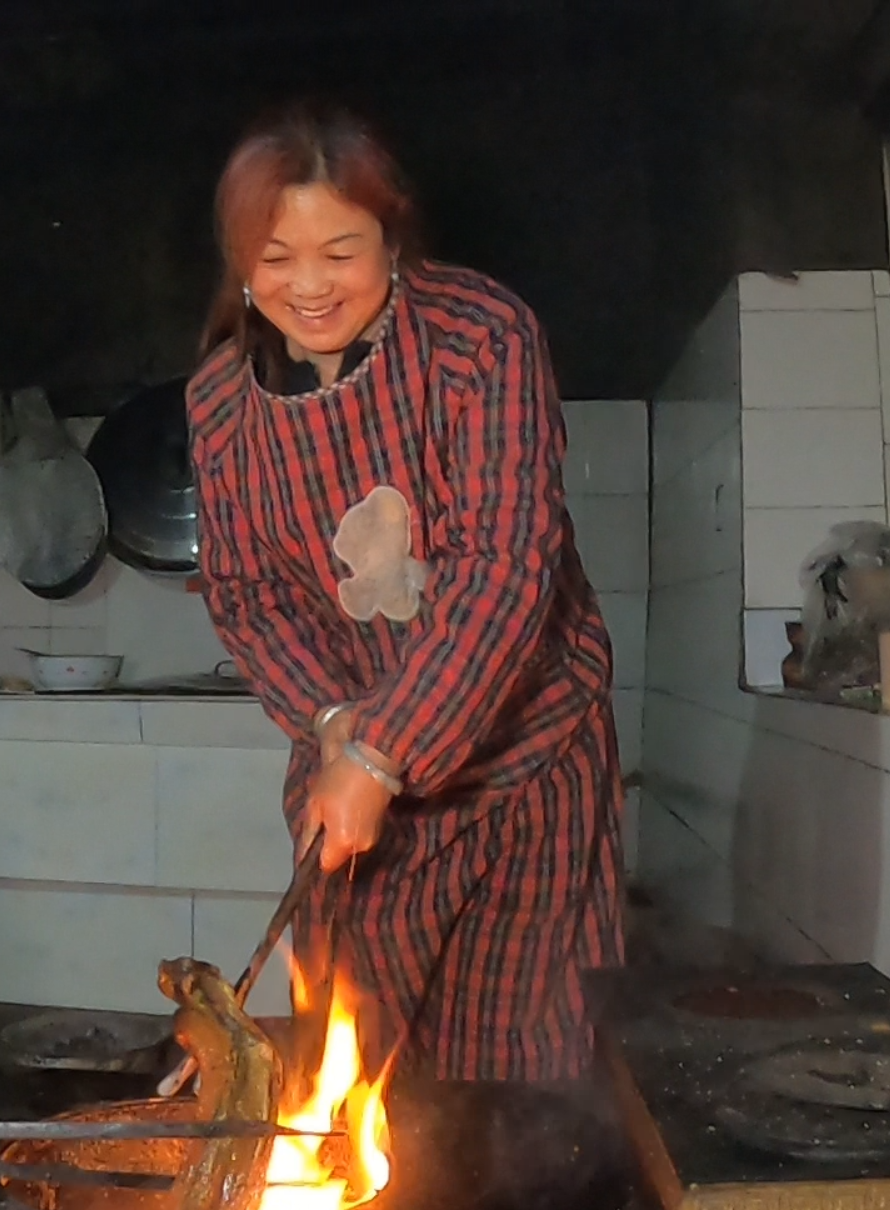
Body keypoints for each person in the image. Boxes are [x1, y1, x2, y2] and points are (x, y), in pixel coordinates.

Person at [188, 102, 625, 1085]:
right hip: (352, 764)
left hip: (528, 748)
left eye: (340, 251)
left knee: (520, 1062)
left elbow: (507, 569)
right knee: (356, 1051)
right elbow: (248, 595)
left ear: (394, 240)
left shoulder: (480, 337)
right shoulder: (219, 403)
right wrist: (337, 722)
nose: (308, 287)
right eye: (275, 256)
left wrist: (389, 750)